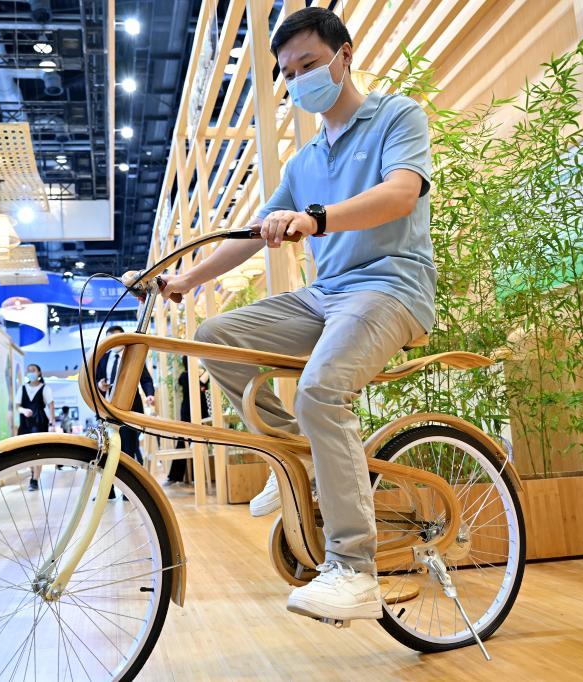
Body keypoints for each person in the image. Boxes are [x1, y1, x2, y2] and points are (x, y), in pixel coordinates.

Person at [160, 7, 435, 623]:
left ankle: (354, 569)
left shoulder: (396, 115)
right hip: (325, 295)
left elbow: (400, 194)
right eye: (287, 73)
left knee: (320, 392)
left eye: (308, 64)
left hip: (390, 286)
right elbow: (253, 234)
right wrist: (184, 280)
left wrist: (316, 219)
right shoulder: (303, 159)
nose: (298, 80)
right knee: (216, 335)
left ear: (345, 56)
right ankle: (298, 455)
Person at [96, 325, 155, 499]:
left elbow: (145, 379)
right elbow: (95, 380)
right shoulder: (102, 358)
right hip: (106, 409)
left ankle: (128, 492)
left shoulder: (133, 356)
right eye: (109, 339)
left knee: (128, 449)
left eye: (116, 338)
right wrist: (100, 385)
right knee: (105, 449)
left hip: (130, 409)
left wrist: (150, 394)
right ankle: (108, 491)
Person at [166, 356, 211, 486]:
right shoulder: (185, 376)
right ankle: (174, 476)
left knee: (200, 444)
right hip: (188, 413)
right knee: (183, 442)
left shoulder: (201, 374)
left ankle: (198, 477)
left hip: (202, 413)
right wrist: (203, 374)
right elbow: (198, 382)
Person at [16, 363, 56, 490]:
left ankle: (34, 480)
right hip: (25, 423)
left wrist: (52, 422)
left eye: (33, 370)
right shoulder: (22, 388)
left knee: (38, 451)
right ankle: (33, 471)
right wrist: (23, 411)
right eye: (28, 370)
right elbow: (17, 406)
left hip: (39, 422)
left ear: (39, 373)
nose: (30, 372)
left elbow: (51, 405)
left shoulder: (45, 388)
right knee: (26, 452)